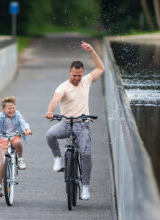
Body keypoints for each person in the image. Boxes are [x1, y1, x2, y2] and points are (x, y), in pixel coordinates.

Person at [45, 41, 105, 200]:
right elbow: (55, 99)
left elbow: (101, 68)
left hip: (82, 125)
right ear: (69, 72)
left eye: (79, 75)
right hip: (65, 123)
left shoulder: (86, 81)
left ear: (82, 73)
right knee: (50, 135)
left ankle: (85, 186)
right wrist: (50, 111)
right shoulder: (62, 87)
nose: (77, 78)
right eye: (74, 75)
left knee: (85, 154)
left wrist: (92, 50)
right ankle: (58, 158)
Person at [0, 96, 32, 197]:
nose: (12, 110)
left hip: (15, 135)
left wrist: (27, 129)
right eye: (9, 108)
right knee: (3, 162)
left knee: (17, 143)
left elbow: (23, 122)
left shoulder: (17, 114)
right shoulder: (1, 116)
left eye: (13, 108)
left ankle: (20, 159)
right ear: (3, 109)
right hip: (4, 137)